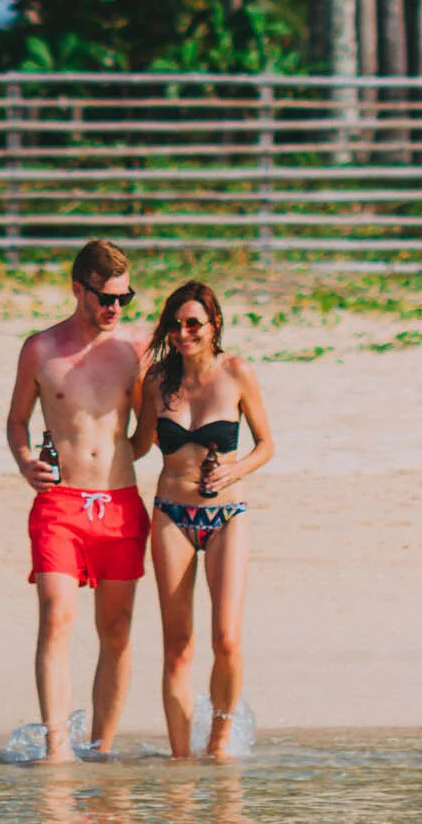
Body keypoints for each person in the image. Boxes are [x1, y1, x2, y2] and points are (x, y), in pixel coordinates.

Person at [6, 237, 149, 761]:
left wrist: (132, 453)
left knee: (116, 628)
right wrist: (25, 461)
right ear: (78, 290)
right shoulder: (40, 349)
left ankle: (102, 748)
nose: (114, 308)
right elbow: (18, 419)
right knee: (56, 615)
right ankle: (56, 747)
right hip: (60, 504)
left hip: (119, 504)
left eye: (123, 298)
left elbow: (156, 415)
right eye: (105, 297)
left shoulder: (134, 347)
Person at [135, 279, 273, 760]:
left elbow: (266, 445)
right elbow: (136, 444)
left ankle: (217, 744)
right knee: (178, 646)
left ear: (214, 325)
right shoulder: (156, 380)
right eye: (175, 324)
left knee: (227, 639)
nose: (183, 332)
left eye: (193, 323)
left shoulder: (237, 372)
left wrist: (235, 468)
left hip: (226, 515)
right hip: (171, 513)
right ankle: (180, 760)